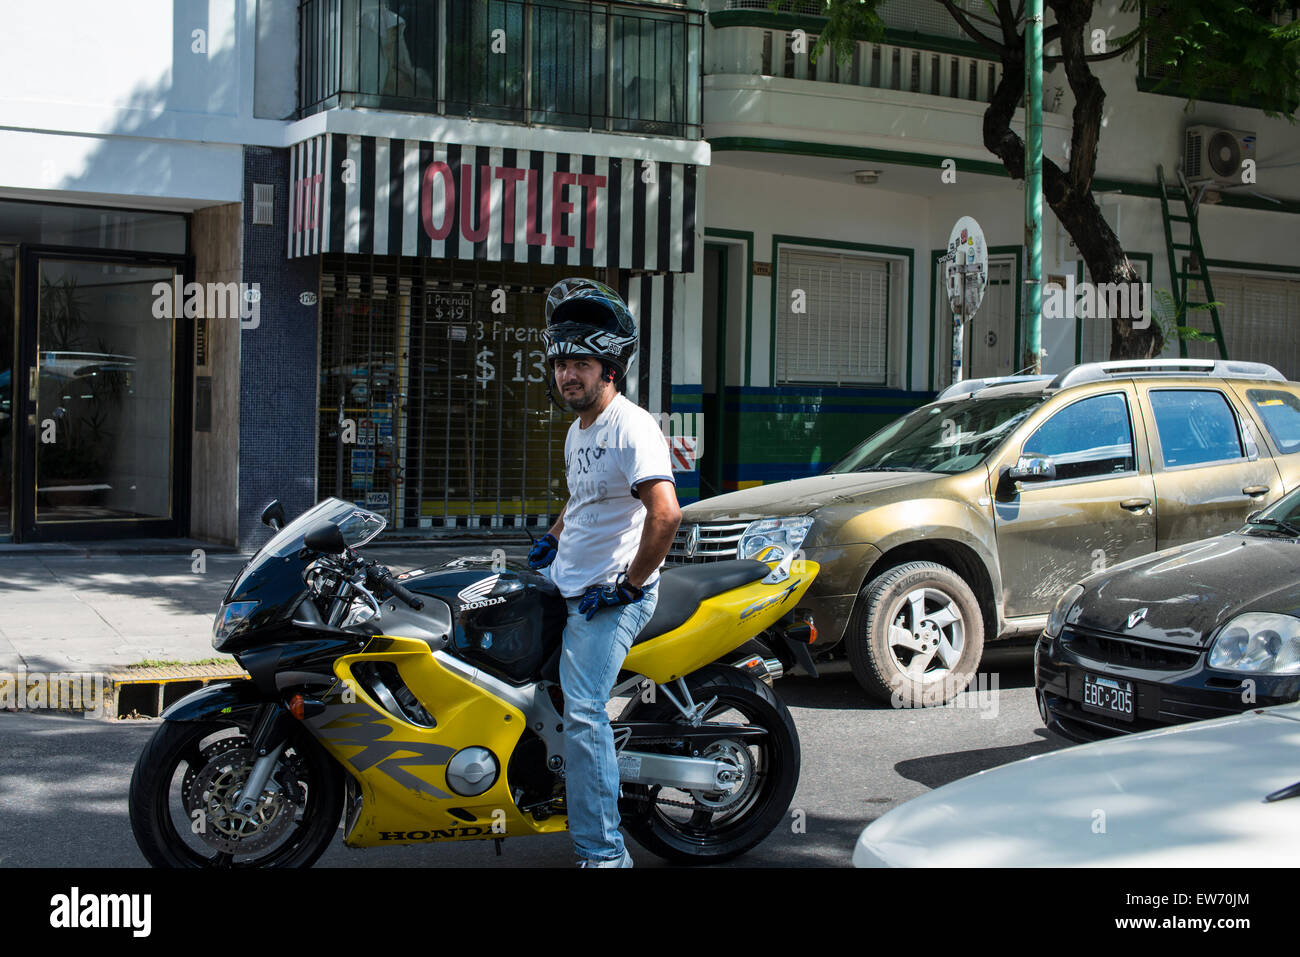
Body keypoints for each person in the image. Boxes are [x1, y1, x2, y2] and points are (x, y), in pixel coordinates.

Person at [528, 278, 682, 868]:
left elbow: (665, 515)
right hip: (570, 582)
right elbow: (586, 500)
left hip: (611, 596)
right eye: (561, 363)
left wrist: (629, 587)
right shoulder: (578, 430)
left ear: (609, 369)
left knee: (585, 711)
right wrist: (553, 536)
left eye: (582, 364)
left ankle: (605, 854)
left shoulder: (631, 426)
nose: (568, 374)